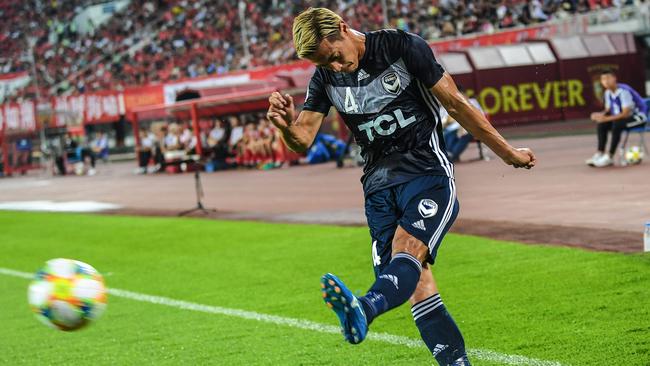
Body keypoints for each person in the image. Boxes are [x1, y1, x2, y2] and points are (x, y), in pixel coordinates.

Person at [267, 8, 536, 366]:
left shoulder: (401, 47)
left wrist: (507, 152)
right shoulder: (324, 78)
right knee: (417, 284)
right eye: (323, 63)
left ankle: (362, 308)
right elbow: (302, 139)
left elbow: (454, 103)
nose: (334, 66)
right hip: (378, 187)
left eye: (334, 56)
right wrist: (285, 126)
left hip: (425, 172)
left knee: (408, 249)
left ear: (344, 29)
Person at [588, 70, 648, 167]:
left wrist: (606, 119)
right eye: (603, 79)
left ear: (614, 78)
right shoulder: (607, 93)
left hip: (638, 118)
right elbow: (608, 110)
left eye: (608, 78)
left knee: (617, 125)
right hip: (622, 119)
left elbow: (625, 114)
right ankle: (600, 153)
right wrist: (599, 115)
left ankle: (609, 157)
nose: (606, 81)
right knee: (601, 124)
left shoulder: (624, 91)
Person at [441, 87, 486, 162]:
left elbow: (480, 115)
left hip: (471, 127)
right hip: (455, 128)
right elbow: (446, 119)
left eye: (461, 94)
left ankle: (452, 155)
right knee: (448, 133)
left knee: (465, 134)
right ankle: (450, 154)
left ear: (464, 94)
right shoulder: (452, 103)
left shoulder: (472, 102)